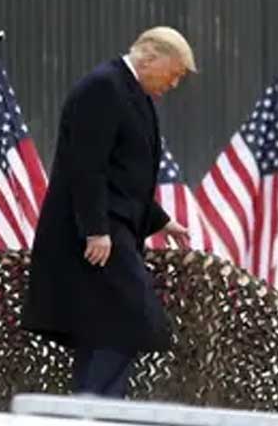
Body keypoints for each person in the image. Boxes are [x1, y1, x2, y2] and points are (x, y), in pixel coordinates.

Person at [22, 26, 197, 398]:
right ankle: (95, 407)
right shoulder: (103, 88)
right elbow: (86, 166)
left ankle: (91, 406)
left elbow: (124, 177)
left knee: (103, 328)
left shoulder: (137, 95)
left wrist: (161, 220)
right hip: (93, 235)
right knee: (131, 318)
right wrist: (95, 230)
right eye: (175, 72)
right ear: (150, 56)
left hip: (112, 229)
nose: (175, 83)